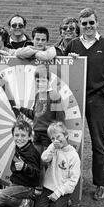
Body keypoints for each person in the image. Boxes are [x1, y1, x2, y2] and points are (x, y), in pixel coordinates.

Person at [64, 7, 104, 200]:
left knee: (98, 142)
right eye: (84, 23)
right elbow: (61, 66)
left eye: (91, 22)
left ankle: (100, 184)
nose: (88, 26)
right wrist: (69, 61)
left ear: (97, 23)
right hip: (74, 99)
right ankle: (66, 178)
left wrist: (101, 93)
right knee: (67, 139)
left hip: (95, 100)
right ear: (79, 25)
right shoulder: (72, 44)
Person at [13, 64, 65, 195]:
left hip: (48, 136)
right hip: (36, 135)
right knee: (36, 161)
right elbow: (36, 115)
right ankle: (38, 188)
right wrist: (22, 109)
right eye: (37, 80)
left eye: (43, 80)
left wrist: (57, 136)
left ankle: (50, 189)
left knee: (48, 163)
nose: (40, 83)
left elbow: (60, 119)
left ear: (48, 80)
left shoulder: (54, 95)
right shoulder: (37, 95)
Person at [0, 120, 40, 207]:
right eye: (17, 135)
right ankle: (21, 202)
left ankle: (25, 202)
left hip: (26, 187)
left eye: (23, 135)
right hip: (16, 184)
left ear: (29, 137)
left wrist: (25, 167)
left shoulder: (31, 152)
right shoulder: (20, 147)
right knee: (1, 197)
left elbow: (37, 174)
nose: (19, 138)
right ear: (13, 135)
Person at [31, 122, 80, 207]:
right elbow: (44, 158)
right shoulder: (53, 149)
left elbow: (73, 180)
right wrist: (52, 147)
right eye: (52, 139)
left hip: (61, 190)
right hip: (48, 187)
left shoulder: (73, 156)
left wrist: (58, 193)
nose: (56, 140)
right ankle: (51, 204)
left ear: (66, 135)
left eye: (58, 136)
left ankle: (65, 203)